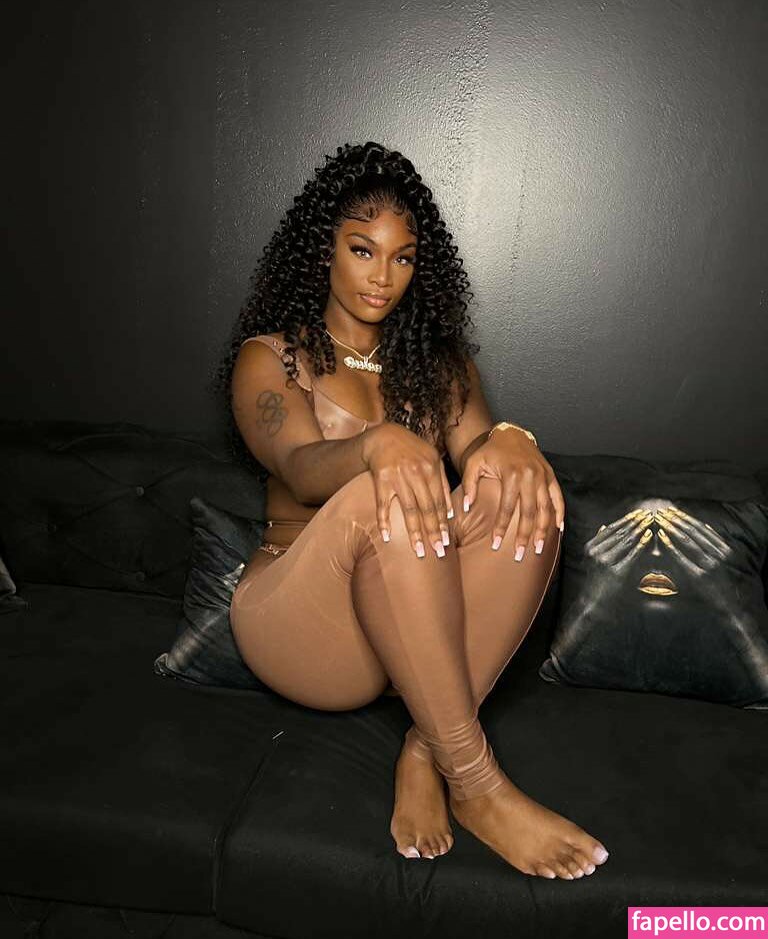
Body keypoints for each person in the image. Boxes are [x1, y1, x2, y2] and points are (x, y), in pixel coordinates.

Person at [215, 141, 610, 880]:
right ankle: (477, 783)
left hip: (409, 627)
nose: (382, 276)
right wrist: (377, 445)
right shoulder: (273, 359)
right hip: (300, 619)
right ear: (323, 248)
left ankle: (426, 749)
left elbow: (482, 448)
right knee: (383, 488)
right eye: (362, 249)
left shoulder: (439, 366)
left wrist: (513, 441)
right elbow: (300, 470)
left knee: (523, 491)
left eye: (402, 257)